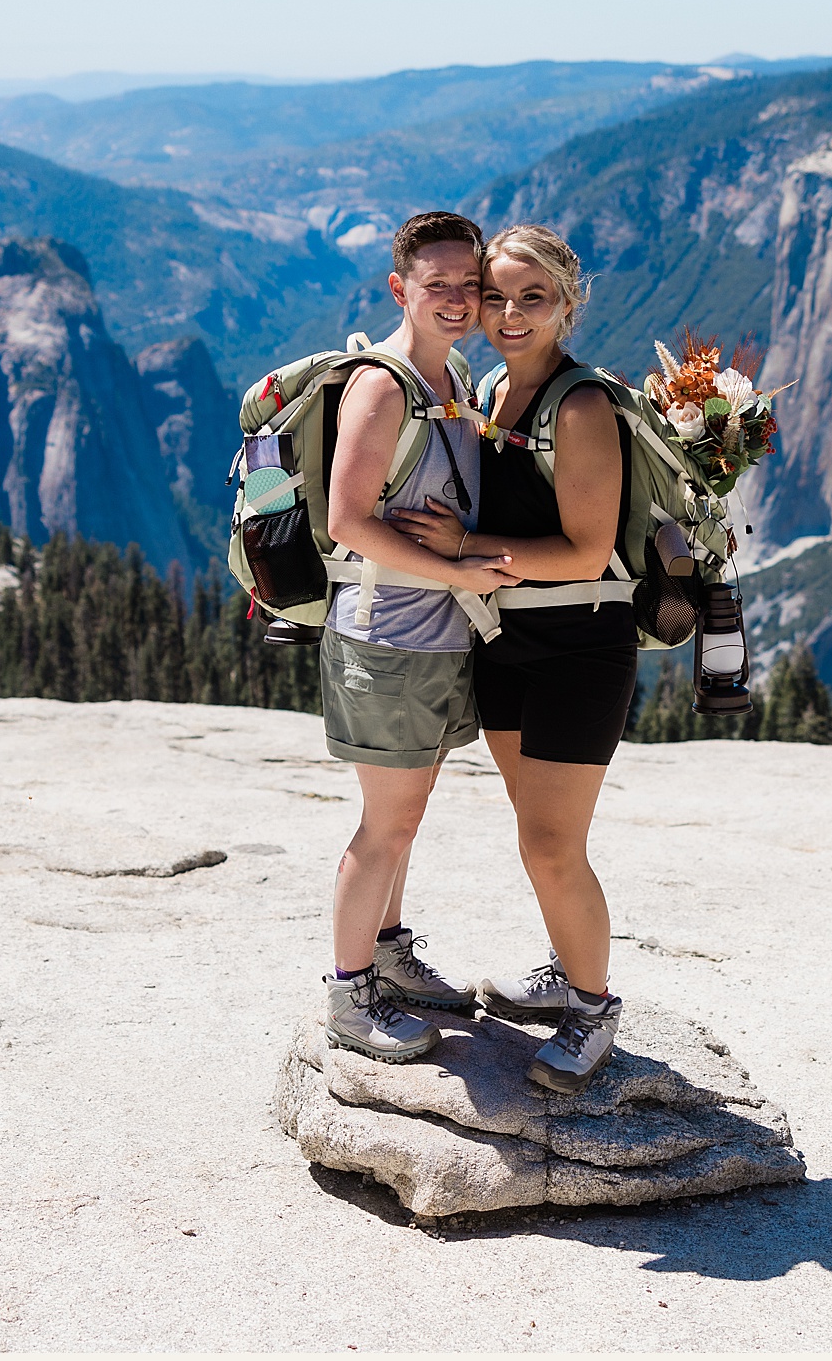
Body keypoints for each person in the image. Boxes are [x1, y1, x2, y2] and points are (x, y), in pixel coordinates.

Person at [387, 224, 632, 1093]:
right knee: (537, 838)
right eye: (498, 296)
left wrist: (464, 545)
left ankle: (594, 1006)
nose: (512, 313)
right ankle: (570, 971)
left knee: (554, 846)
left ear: (568, 304)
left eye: (535, 297)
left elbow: (588, 550)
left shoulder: (581, 406)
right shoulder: (489, 387)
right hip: (505, 644)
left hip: (578, 648)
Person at [318, 211, 522, 1065]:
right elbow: (347, 520)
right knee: (384, 827)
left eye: (469, 285)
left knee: (407, 816)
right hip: (388, 640)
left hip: (438, 641)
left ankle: (390, 956)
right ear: (400, 287)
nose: (457, 299)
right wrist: (460, 574)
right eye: (437, 285)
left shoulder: (458, 380)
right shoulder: (385, 386)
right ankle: (349, 994)